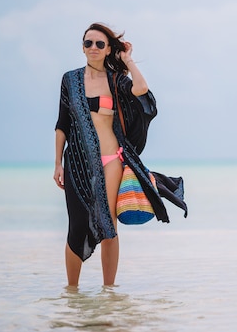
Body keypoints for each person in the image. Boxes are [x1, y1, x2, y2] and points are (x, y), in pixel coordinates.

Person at [53, 23, 187, 287]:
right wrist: (57, 163)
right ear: (82, 47)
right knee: (77, 226)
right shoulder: (69, 80)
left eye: (99, 44)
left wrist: (128, 60)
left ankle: (109, 291)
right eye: (88, 43)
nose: (93, 48)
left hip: (111, 160)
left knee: (108, 225)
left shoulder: (117, 81)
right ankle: (71, 291)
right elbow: (62, 124)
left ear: (108, 49)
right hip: (77, 163)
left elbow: (141, 89)